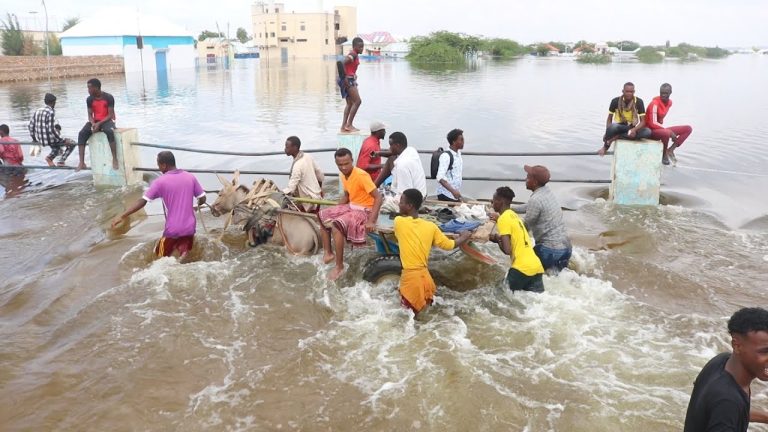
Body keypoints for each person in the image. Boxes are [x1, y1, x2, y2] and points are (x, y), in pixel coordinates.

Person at [111, 151, 206, 261]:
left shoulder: (160, 182)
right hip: (190, 228)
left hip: (173, 229)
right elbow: (203, 198)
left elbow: (143, 201)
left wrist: (122, 215)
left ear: (164, 165)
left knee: (159, 257)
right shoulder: (190, 177)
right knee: (183, 256)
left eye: (159, 165)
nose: (159, 168)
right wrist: (195, 205)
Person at [684, 307, 768, 431]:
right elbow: (728, 409)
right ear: (737, 345)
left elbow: (729, 413)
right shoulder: (728, 400)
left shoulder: (721, 362)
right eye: (764, 351)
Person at [394, 189, 471, 315]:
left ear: (409, 206)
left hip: (411, 281)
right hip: (426, 280)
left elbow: (402, 220)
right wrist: (464, 237)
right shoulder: (431, 226)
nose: (399, 204)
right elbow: (449, 245)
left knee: (407, 320)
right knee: (424, 318)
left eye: (401, 202)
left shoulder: (399, 222)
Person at [318, 148, 383, 281]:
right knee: (322, 215)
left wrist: (371, 220)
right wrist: (336, 209)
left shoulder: (361, 175)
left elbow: (378, 197)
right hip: (352, 206)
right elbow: (347, 195)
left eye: (346, 163)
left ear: (352, 161)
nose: (343, 167)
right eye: (340, 165)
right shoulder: (343, 175)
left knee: (337, 225)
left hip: (365, 210)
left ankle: (339, 266)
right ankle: (328, 253)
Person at [512, 165, 572, 273]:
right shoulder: (547, 192)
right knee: (558, 278)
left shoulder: (535, 199)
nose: (525, 179)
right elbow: (530, 206)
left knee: (524, 269)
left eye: (528, 177)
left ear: (534, 182)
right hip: (565, 249)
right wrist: (510, 209)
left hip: (549, 252)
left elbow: (524, 226)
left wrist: (504, 219)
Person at [488, 186, 545, 292]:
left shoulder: (503, 219)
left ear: (501, 202)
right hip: (536, 266)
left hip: (521, 268)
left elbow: (507, 250)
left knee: (500, 295)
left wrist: (496, 239)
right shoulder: (514, 215)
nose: (492, 203)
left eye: (494, 200)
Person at [598, 82, 652, 156]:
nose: (629, 94)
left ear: (634, 92)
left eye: (631, 92)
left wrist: (634, 130)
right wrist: (607, 132)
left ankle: (615, 137)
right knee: (613, 126)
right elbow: (609, 119)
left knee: (647, 132)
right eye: (627, 91)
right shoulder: (615, 101)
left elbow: (643, 122)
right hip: (619, 126)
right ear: (623, 91)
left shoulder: (639, 102)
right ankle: (605, 147)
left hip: (632, 127)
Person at [645, 83, 693, 165]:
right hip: (650, 131)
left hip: (659, 129)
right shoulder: (654, 103)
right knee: (666, 133)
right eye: (661, 93)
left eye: (666, 93)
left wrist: (663, 126)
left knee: (688, 129)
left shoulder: (669, 103)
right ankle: (664, 155)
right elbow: (652, 123)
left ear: (670, 92)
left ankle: (670, 150)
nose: (663, 95)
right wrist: (669, 132)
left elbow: (660, 119)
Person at [77, 78, 118, 171]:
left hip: (106, 120)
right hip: (95, 121)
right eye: (87, 88)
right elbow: (90, 114)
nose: (88, 90)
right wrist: (92, 123)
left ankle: (115, 159)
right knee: (82, 133)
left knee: (109, 131)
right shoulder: (89, 99)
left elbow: (110, 114)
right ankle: (82, 162)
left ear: (96, 88)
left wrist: (99, 123)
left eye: (90, 88)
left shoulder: (108, 97)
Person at [28, 93, 75, 166]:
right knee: (72, 143)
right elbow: (51, 129)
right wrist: (61, 139)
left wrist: (34, 138)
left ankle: (50, 158)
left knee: (56, 147)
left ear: (45, 102)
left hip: (40, 139)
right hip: (49, 139)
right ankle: (61, 161)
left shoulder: (38, 110)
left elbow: (30, 126)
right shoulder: (51, 112)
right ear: (54, 102)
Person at [282, 136, 324, 208]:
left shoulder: (297, 166)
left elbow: (291, 189)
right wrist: (319, 190)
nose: (285, 149)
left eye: (287, 147)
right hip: (317, 197)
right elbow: (320, 175)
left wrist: (279, 194)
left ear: (295, 148)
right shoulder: (308, 156)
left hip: (309, 201)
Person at [388, 131, 427, 197]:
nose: (389, 148)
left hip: (412, 203)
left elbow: (405, 194)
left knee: (381, 204)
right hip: (422, 194)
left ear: (398, 145)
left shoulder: (402, 165)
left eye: (391, 145)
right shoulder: (411, 151)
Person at [339, 37, 364, 133]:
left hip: (348, 79)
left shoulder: (354, 54)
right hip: (348, 80)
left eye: (362, 47)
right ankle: (349, 125)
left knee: (349, 104)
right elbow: (341, 63)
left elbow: (348, 67)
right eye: (360, 47)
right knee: (357, 101)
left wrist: (353, 73)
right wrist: (345, 77)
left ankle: (344, 126)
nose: (361, 49)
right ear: (354, 47)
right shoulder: (353, 54)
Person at [435, 128, 464, 202]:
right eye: (461, 140)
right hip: (446, 194)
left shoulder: (458, 154)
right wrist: (453, 191)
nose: (463, 142)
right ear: (454, 142)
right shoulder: (446, 156)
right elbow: (440, 177)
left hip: (454, 194)